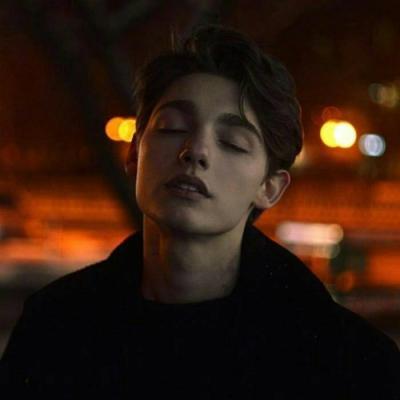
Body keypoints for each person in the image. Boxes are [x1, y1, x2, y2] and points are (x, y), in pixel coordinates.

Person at [1, 25, 399, 399]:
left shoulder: (342, 359)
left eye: (233, 142)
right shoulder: (57, 326)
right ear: (135, 153)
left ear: (269, 187)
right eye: (172, 127)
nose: (195, 151)